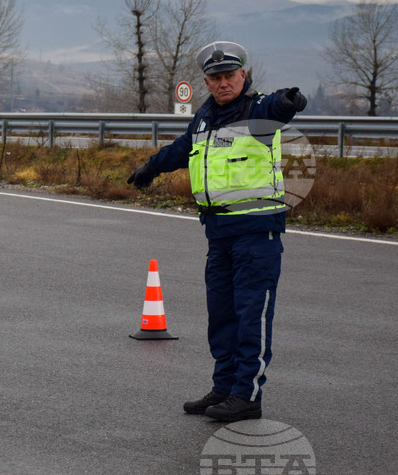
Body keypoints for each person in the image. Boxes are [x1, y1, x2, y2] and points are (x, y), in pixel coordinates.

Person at [127, 41, 307, 422]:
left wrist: (289, 100)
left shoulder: (259, 112)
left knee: (250, 314)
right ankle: (224, 388)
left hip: (257, 234)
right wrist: (150, 168)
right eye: (216, 78)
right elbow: (181, 149)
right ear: (207, 82)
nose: (224, 83)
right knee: (221, 316)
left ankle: (247, 395)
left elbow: (279, 105)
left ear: (243, 76)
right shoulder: (205, 118)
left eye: (230, 76)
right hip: (219, 232)